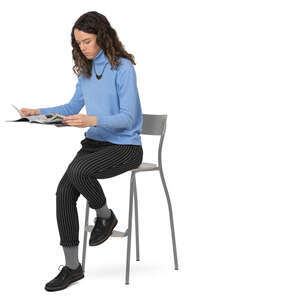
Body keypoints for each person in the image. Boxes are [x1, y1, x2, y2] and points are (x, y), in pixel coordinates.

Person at [21, 11, 143, 292]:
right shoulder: (87, 72)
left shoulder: (123, 68)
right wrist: (38, 113)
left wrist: (93, 120)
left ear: (103, 36)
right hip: (95, 145)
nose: (82, 48)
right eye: (78, 43)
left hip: (126, 146)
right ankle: (73, 267)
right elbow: (72, 108)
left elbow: (128, 117)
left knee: (78, 171)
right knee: (64, 191)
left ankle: (105, 215)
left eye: (87, 41)